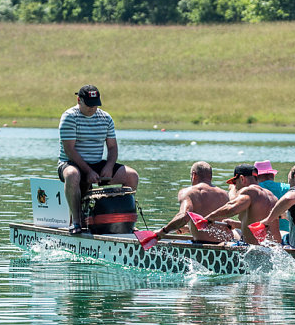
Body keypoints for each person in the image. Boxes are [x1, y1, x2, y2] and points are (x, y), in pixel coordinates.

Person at [57, 84, 139, 234]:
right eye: (89, 105)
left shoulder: (105, 118)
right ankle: (76, 222)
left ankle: (127, 221)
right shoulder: (69, 117)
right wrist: (88, 171)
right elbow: (70, 150)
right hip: (71, 163)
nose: (92, 108)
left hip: (97, 163)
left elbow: (113, 148)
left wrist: (109, 166)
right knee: (72, 175)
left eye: (95, 105)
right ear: (79, 100)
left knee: (132, 176)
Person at [202, 164, 280, 244]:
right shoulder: (272, 196)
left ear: (242, 179)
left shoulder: (250, 191)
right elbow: (260, 224)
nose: (236, 187)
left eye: (235, 183)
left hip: (255, 250)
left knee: (221, 244)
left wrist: (208, 218)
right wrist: (236, 224)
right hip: (276, 248)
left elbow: (231, 208)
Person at [154, 162, 231, 243]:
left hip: (203, 246)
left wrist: (163, 231)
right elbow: (216, 226)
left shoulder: (188, 192)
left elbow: (184, 216)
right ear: (210, 176)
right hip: (225, 244)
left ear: (194, 175)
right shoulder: (224, 194)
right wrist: (188, 228)